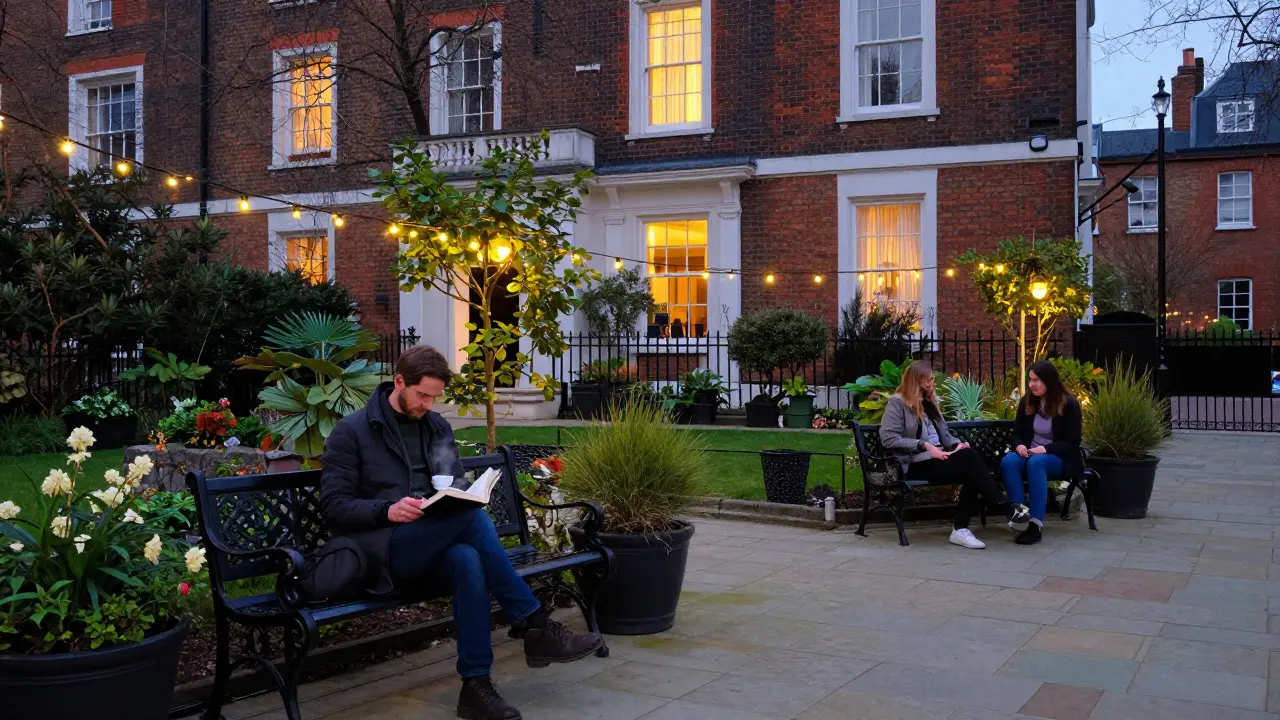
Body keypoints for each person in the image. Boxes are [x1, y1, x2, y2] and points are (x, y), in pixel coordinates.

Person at [320, 344, 601, 720]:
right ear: (399, 381)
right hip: (381, 553)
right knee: (471, 523)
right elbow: (334, 507)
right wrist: (386, 509)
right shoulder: (352, 431)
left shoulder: (436, 427)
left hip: (432, 544)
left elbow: (452, 484)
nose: (428, 406)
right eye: (422, 395)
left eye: (435, 398)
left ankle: (476, 687)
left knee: (467, 559)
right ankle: (534, 624)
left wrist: (455, 497)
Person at [879, 360, 1029, 549]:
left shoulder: (929, 403)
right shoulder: (897, 403)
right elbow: (888, 439)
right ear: (916, 382)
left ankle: (962, 529)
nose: (933, 383)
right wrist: (924, 445)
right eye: (929, 380)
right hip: (913, 464)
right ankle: (1001, 509)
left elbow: (945, 435)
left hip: (937, 459)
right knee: (971, 465)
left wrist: (957, 444)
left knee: (970, 459)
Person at [1000, 360, 1083, 546]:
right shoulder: (1028, 401)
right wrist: (1019, 445)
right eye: (1030, 380)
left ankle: (1035, 525)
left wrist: (1045, 449)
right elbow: (1016, 433)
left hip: (1059, 458)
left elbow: (1072, 442)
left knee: (1037, 463)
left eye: (1036, 380)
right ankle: (1020, 514)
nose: (1031, 384)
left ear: (1049, 381)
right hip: (1030, 454)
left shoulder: (1068, 404)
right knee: (1009, 461)